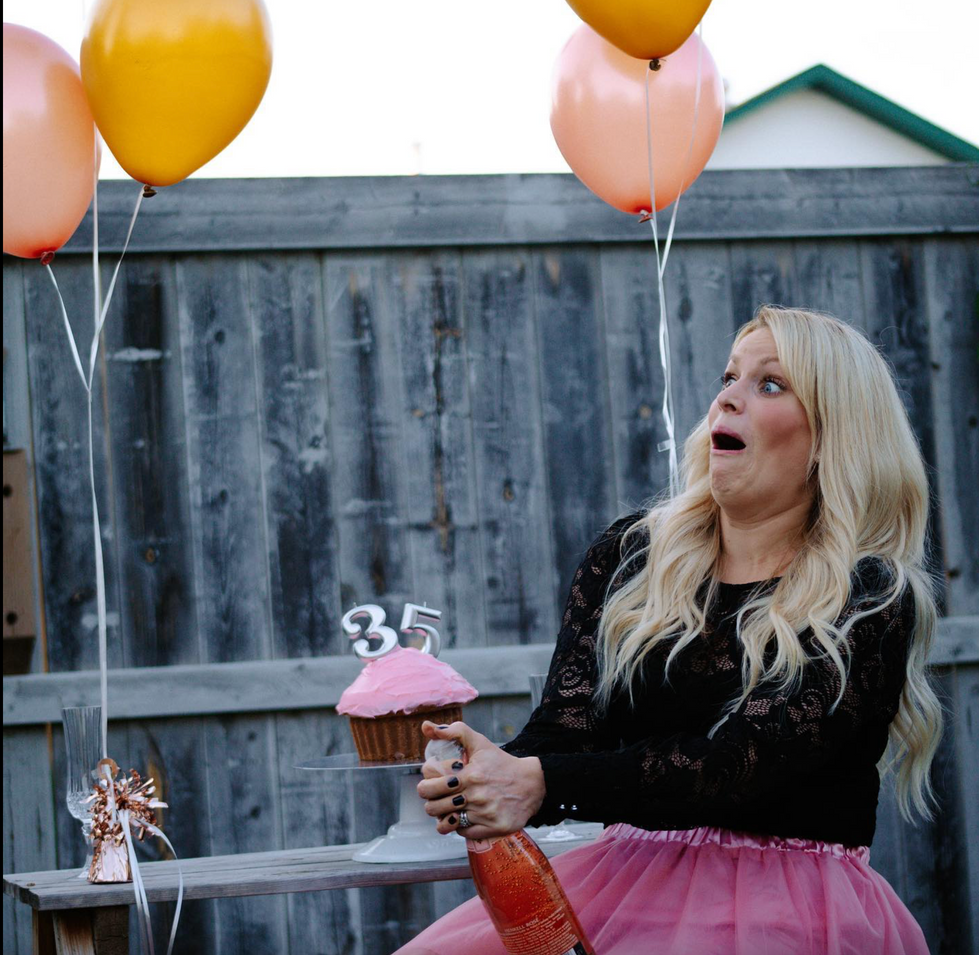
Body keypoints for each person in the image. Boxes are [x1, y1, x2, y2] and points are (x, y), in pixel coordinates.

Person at [397, 305, 941, 955]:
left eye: (769, 384)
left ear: (831, 435)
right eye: (728, 376)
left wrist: (540, 781)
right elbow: (567, 729)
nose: (727, 397)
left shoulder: (866, 592)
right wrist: (491, 773)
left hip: (789, 909)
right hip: (624, 882)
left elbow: (741, 765)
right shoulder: (628, 556)